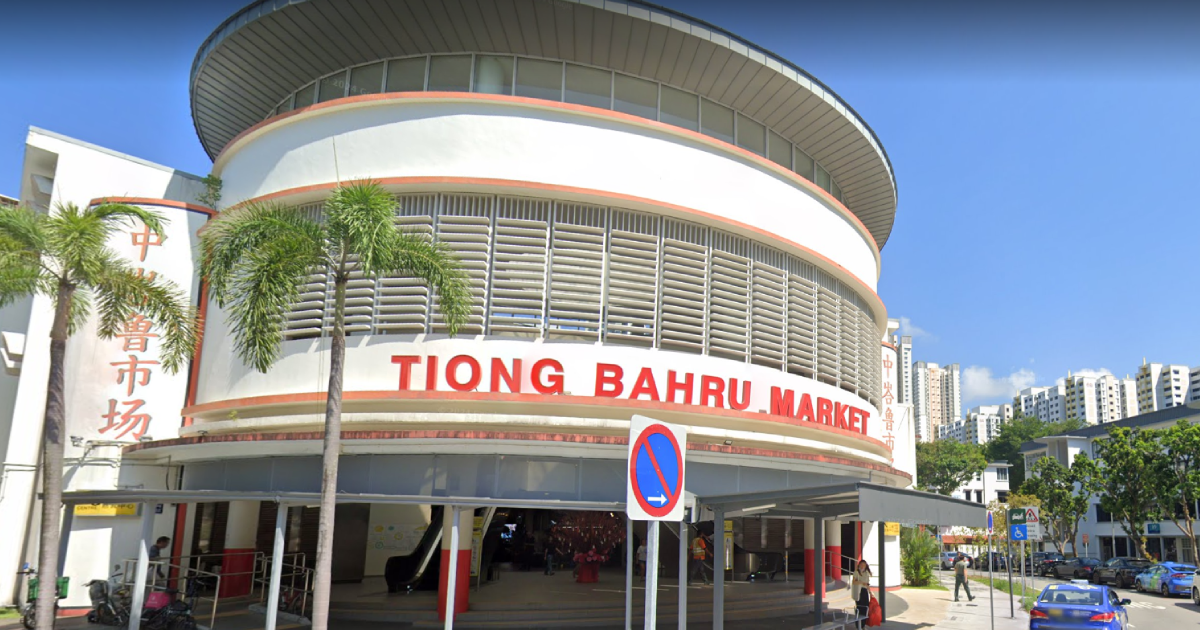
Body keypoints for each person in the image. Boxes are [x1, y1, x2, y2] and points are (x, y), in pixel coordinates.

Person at [851, 559, 872, 627]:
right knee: (859, 608)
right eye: (861, 564)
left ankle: (863, 625)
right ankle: (858, 625)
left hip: (865, 591)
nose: (863, 566)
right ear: (859, 565)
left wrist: (870, 592)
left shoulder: (866, 573)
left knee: (865, 608)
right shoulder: (856, 572)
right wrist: (862, 582)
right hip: (859, 591)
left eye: (864, 565)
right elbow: (854, 582)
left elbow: (867, 584)